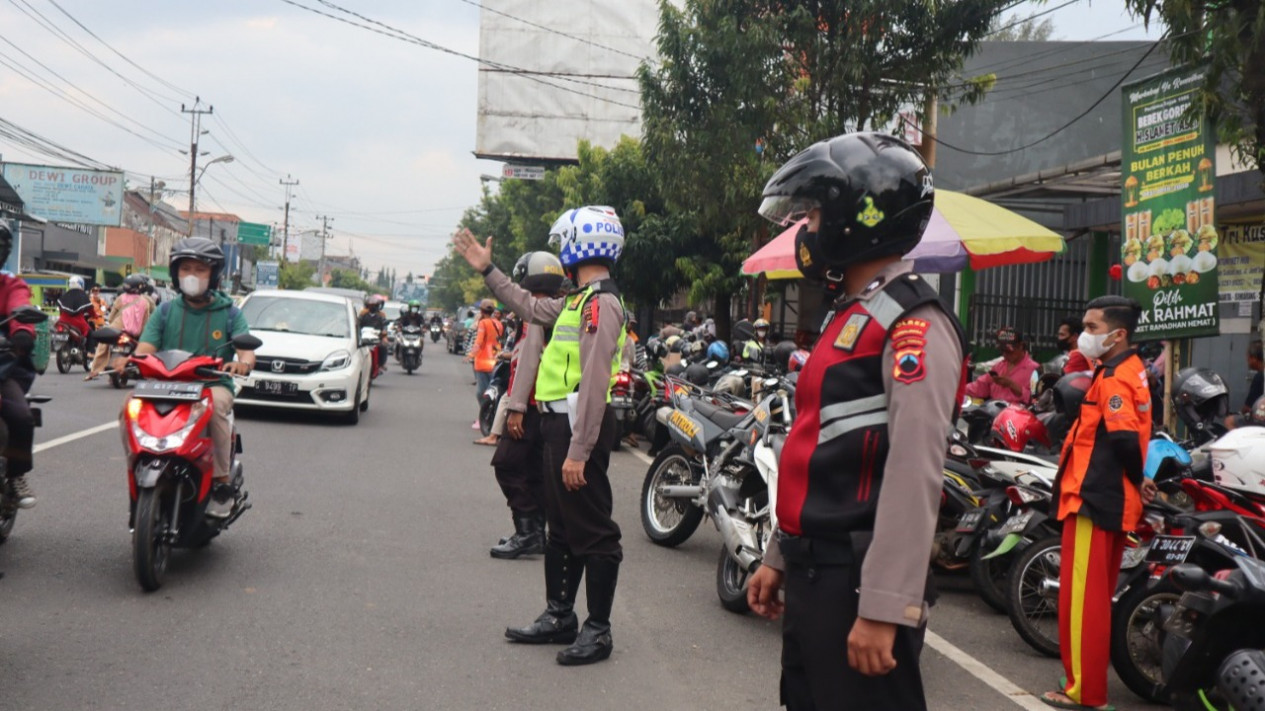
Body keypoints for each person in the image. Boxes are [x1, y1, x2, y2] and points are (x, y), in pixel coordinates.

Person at [745, 132, 967, 711]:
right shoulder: (855, 314)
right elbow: (814, 451)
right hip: (816, 573)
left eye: (814, 215)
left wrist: (883, 608)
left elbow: (914, 472)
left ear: (854, 218)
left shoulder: (912, 323)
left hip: (857, 581)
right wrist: (778, 555)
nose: (807, 231)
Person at [453, 203, 627, 667]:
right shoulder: (576, 301)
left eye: (564, 244)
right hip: (555, 424)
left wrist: (580, 450)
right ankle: (559, 616)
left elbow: (593, 382)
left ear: (579, 245)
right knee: (561, 530)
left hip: (577, 427)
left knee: (594, 531)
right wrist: (487, 270)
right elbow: (528, 304)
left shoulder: (602, 304)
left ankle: (598, 630)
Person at [1043, 295, 1156, 711]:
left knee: (1081, 601)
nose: (1083, 336)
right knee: (1094, 598)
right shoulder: (1130, 369)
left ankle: (1083, 691)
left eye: (1091, 328)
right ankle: (1082, 680)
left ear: (1118, 334)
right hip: (1110, 496)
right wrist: (1139, 477)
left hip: (1094, 496)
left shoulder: (1112, 379)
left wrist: (1132, 475)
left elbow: (1124, 437)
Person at [133, 238, 254, 519]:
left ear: (214, 275)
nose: (191, 275)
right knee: (128, 406)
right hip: (166, 386)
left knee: (215, 412)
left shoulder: (231, 314)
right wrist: (128, 360)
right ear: (176, 274)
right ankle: (139, 459)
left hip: (211, 386)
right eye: (185, 268)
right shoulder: (165, 312)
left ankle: (221, 482)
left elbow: (246, 353)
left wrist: (241, 365)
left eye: (200, 269)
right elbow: (145, 350)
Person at [489, 251, 567, 559]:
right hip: (547, 404)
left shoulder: (535, 312)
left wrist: (517, 406)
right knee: (535, 470)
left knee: (507, 465)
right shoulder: (554, 310)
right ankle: (536, 531)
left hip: (531, 404)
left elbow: (530, 357)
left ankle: (527, 532)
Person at [0, 224, 39, 509]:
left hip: (2, 367)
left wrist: (22, 331)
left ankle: (16, 476)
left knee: (21, 416)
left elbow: (20, 307)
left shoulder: (10, 284)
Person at [87, 274, 154, 380]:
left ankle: (95, 369)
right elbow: (146, 321)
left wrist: (111, 322)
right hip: (136, 332)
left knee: (103, 345)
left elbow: (111, 316)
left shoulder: (120, 298)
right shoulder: (145, 302)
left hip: (117, 329)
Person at [964, 326, 1039, 405]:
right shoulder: (998, 367)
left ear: (1021, 346)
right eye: (1002, 351)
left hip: (1018, 414)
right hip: (994, 411)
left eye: (1009, 352)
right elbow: (980, 386)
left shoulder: (1034, 370)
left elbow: (1036, 400)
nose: (1005, 355)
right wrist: (958, 389)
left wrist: (1012, 385)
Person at [467, 299, 503, 431]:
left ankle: (483, 417)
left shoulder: (482, 323)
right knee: (493, 391)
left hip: (482, 361)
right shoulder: (499, 324)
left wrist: (470, 355)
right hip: (496, 360)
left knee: (481, 393)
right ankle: (492, 417)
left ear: (481, 311)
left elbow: (478, 341)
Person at [1225, 340, 1263, 429]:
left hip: (1260, 419)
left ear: (1254, 358)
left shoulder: (1260, 377)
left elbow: (1248, 408)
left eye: (1248, 357)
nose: (1247, 360)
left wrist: (1239, 413)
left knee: (1229, 421)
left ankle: (1242, 442)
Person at [56, 275, 93, 344]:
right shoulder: (83, 296)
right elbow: (91, 310)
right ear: (81, 285)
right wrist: (95, 316)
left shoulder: (65, 295)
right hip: (78, 323)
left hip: (62, 322)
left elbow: (60, 310)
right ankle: (90, 352)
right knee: (90, 332)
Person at [358, 295, 389, 377]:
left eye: (374, 306)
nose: (372, 308)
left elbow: (385, 325)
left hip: (377, 336)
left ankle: (381, 363)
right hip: (364, 336)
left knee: (384, 346)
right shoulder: (363, 314)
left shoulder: (381, 315)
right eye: (370, 306)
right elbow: (358, 324)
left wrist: (384, 332)